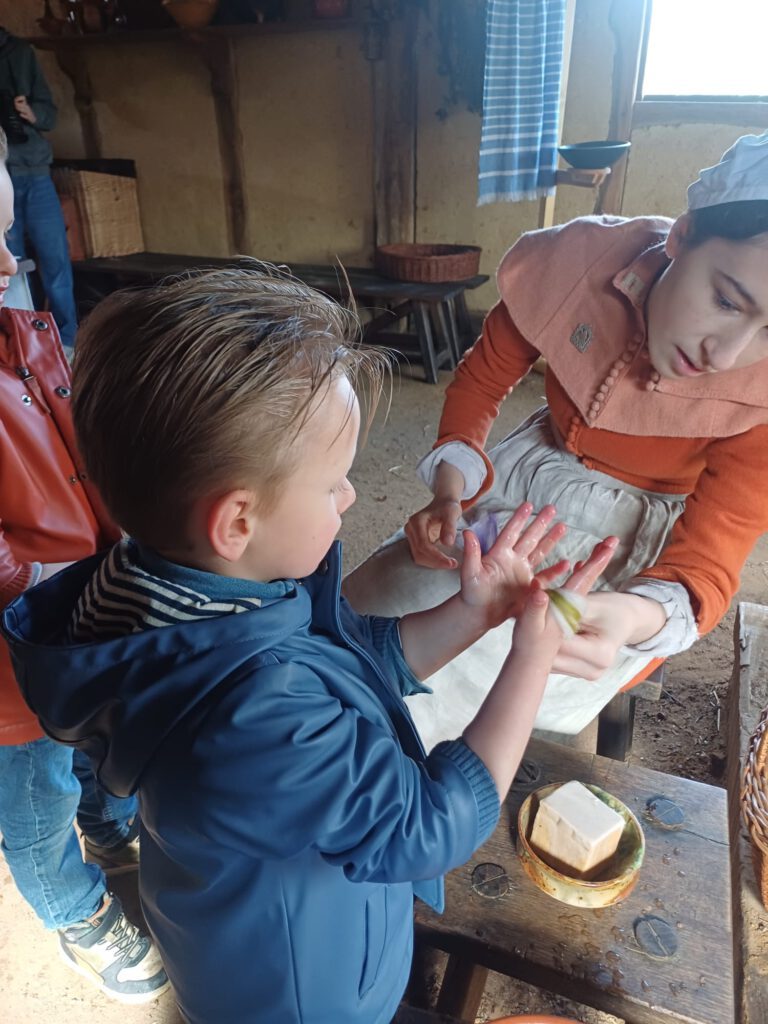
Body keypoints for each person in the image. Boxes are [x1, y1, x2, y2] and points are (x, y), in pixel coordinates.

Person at [1, 264, 613, 1024]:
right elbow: (428, 825)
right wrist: (534, 653)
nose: (353, 497)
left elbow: (350, 664)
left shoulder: (187, 588)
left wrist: (475, 612)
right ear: (235, 522)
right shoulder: (249, 718)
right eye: (335, 485)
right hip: (301, 994)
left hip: (264, 929)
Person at [343, 130, 768, 746]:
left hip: (624, 545)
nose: (728, 354)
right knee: (384, 600)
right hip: (529, 475)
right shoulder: (576, 265)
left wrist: (628, 616)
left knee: (496, 654)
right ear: (682, 236)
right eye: (727, 301)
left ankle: (389, 778)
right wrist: (449, 489)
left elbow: (707, 564)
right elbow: (483, 380)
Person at [0, 126, 169, 1003]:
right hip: (12, 650)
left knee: (95, 734)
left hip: (71, 605)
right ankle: (72, 907)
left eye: (4, 245)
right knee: (31, 796)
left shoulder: (15, 331)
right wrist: (37, 596)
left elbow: (72, 441)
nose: (5, 265)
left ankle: (106, 824)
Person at [0, 28, 78, 351]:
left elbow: (49, 112)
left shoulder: (20, 52)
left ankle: (68, 343)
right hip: (4, 176)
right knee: (11, 267)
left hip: (34, 171)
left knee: (55, 259)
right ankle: (19, 346)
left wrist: (31, 112)